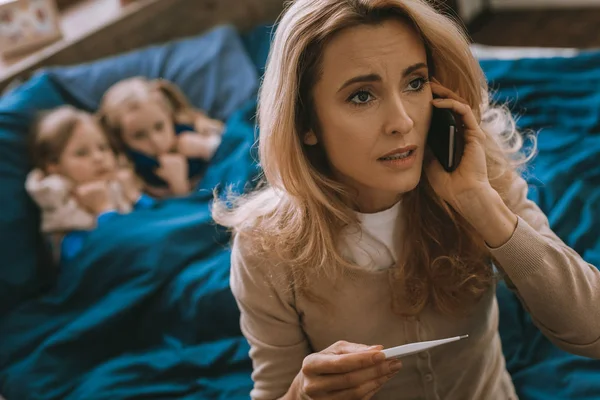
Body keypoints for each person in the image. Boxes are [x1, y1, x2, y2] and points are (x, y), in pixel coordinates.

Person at [212, 0, 600, 399]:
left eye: (415, 83)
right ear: (305, 122)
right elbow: (274, 389)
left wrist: (480, 204)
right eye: (362, 96)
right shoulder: (265, 246)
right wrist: (301, 394)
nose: (403, 122)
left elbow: (593, 332)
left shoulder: (480, 175)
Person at [25, 105, 154, 264]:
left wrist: (137, 197)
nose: (98, 158)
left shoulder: (120, 187)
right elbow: (112, 258)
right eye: (82, 153)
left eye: (103, 147)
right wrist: (105, 210)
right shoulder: (62, 211)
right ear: (53, 165)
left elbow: (161, 222)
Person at [98, 77, 224, 198]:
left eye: (159, 127)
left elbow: (236, 154)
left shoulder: (200, 130)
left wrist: (209, 147)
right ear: (121, 140)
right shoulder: (134, 175)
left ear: (170, 116)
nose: (156, 141)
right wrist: (178, 185)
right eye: (139, 136)